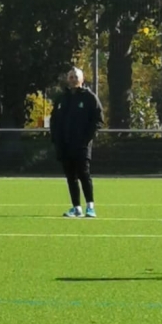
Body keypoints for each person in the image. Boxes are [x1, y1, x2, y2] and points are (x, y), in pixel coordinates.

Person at [49, 67, 103, 217]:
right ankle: (76, 207)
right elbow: (54, 120)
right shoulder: (62, 98)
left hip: (81, 145)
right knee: (70, 176)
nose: (73, 80)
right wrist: (56, 139)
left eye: (76, 77)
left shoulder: (89, 97)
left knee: (84, 174)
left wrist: (86, 138)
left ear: (82, 79)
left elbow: (98, 120)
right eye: (71, 77)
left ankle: (90, 207)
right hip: (64, 145)